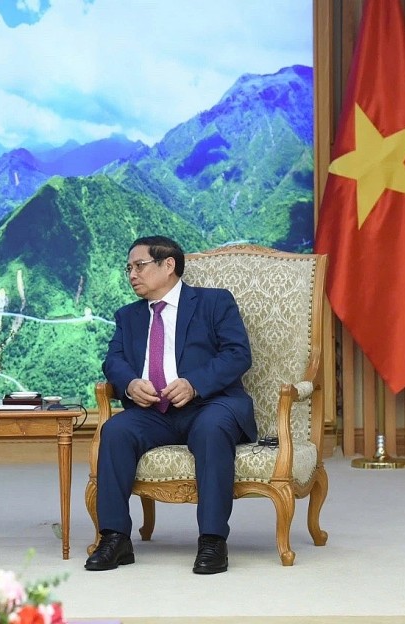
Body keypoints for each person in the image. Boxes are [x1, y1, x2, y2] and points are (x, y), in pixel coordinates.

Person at [85, 235, 255, 575]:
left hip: (210, 405)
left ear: (168, 266)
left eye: (139, 266)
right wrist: (131, 384)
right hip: (154, 413)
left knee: (210, 429)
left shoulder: (214, 303)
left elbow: (238, 355)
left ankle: (212, 540)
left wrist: (195, 384)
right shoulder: (128, 316)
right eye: (128, 268)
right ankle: (115, 538)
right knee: (115, 430)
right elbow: (114, 362)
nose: (131, 274)